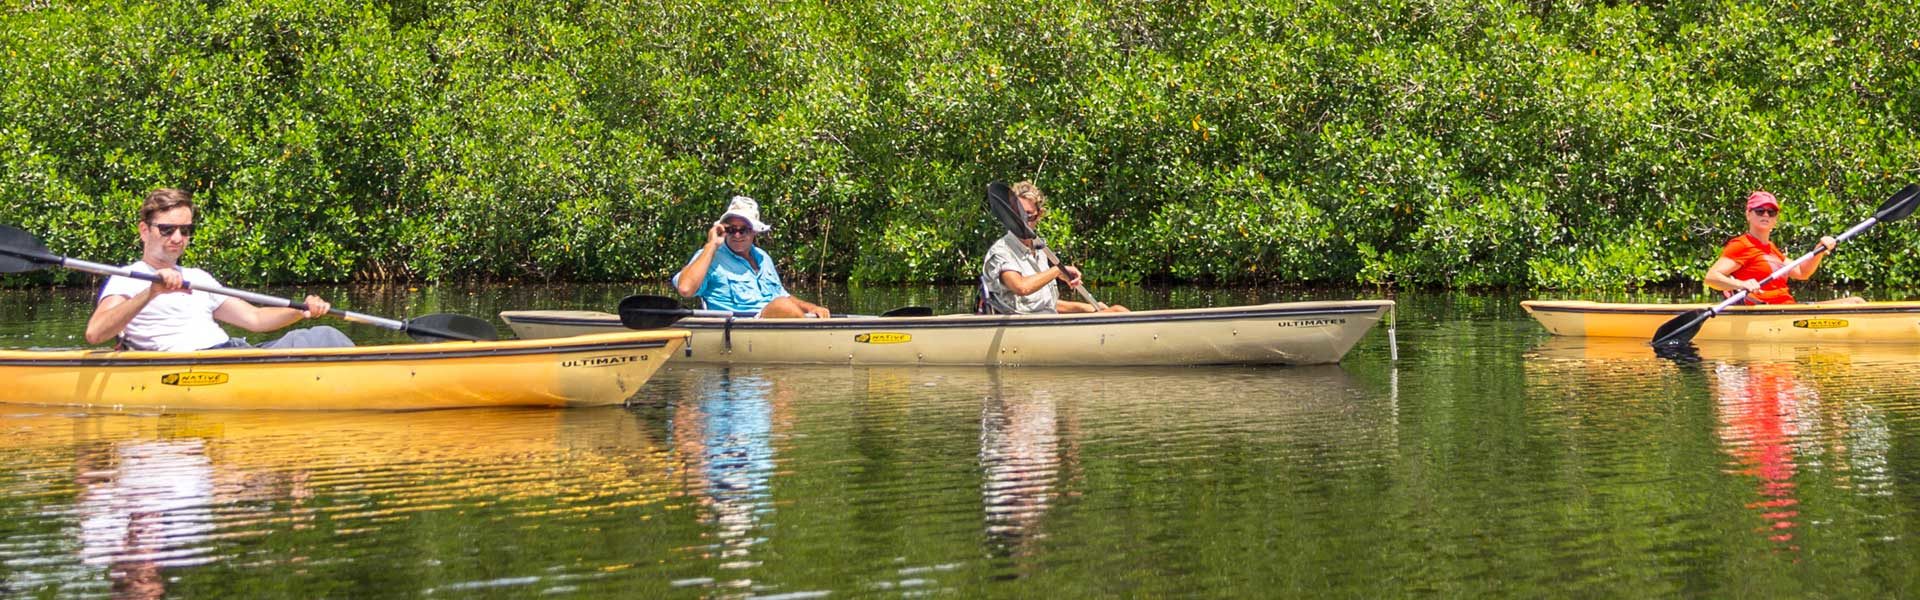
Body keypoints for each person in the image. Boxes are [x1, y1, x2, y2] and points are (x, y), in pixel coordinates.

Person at [83, 188, 355, 351]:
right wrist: (151, 292)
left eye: (185, 230)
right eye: (167, 229)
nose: (177, 238)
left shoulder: (199, 277)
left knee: (324, 335)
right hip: (195, 367)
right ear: (145, 231)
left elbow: (255, 319)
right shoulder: (127, 279)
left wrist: (300, 311)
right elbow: (95, 333)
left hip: (232, 353)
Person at [981, 181, 1128, 314]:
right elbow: (1021, 287)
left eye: (1029, 216)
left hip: (1044, 322)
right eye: (1018, 215)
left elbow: (1045, 304)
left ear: (1039, 215)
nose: (1023, 222)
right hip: (1021, 327)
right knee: (1116, 312)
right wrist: (1057, 270)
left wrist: (1087, 308)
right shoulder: (1001, 251)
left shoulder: (1040, 250)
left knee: (1118, 310)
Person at [671, 195, 831, 318]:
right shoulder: (708, 256)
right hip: (740, 330)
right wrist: (711, 244)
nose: (737, 235)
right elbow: (685, 289)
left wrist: (812, 308)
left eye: (744, 230)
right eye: (732, 229)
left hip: (774, 325)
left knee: (785, 304)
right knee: (782, 306)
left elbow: (783, 296)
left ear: (754, 231)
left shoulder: (763, 258)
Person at [1703, 190, 1865, 305]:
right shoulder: (1742, 245)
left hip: (1788, 307)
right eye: (1760, 211)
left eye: (1771, 212)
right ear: (1748, 214)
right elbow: (1711, 278)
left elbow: (1802, 272)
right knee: (1857, 303)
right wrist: (1741, 284)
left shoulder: (1772, 249)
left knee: (1856, 302)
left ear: (1775, 219)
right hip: (1767, 311)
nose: (1766, 215)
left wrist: (1820, 249)